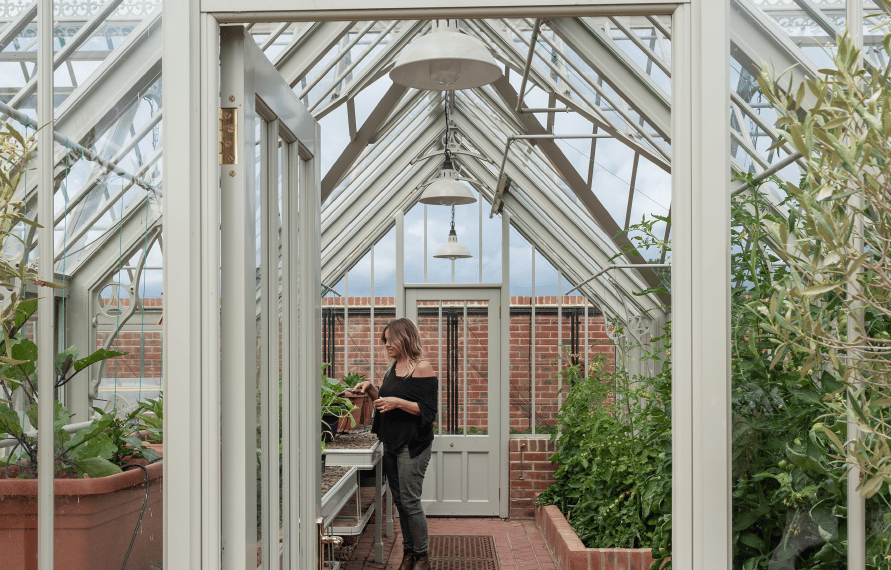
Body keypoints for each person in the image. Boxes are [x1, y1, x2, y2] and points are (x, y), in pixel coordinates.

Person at [352, 318, 438, 570]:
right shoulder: (393, 367)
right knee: (399, 501)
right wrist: (370, 389)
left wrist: (398, 403)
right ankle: (409, 553)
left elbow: (428, 411)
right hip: (391, 441)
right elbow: (386, 400)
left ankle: (421, 557)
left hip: (413, 444)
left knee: (410, 500)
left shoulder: (421, 367)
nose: (386, 344)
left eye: (390, 340)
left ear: (405, 338)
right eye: (385, 340)